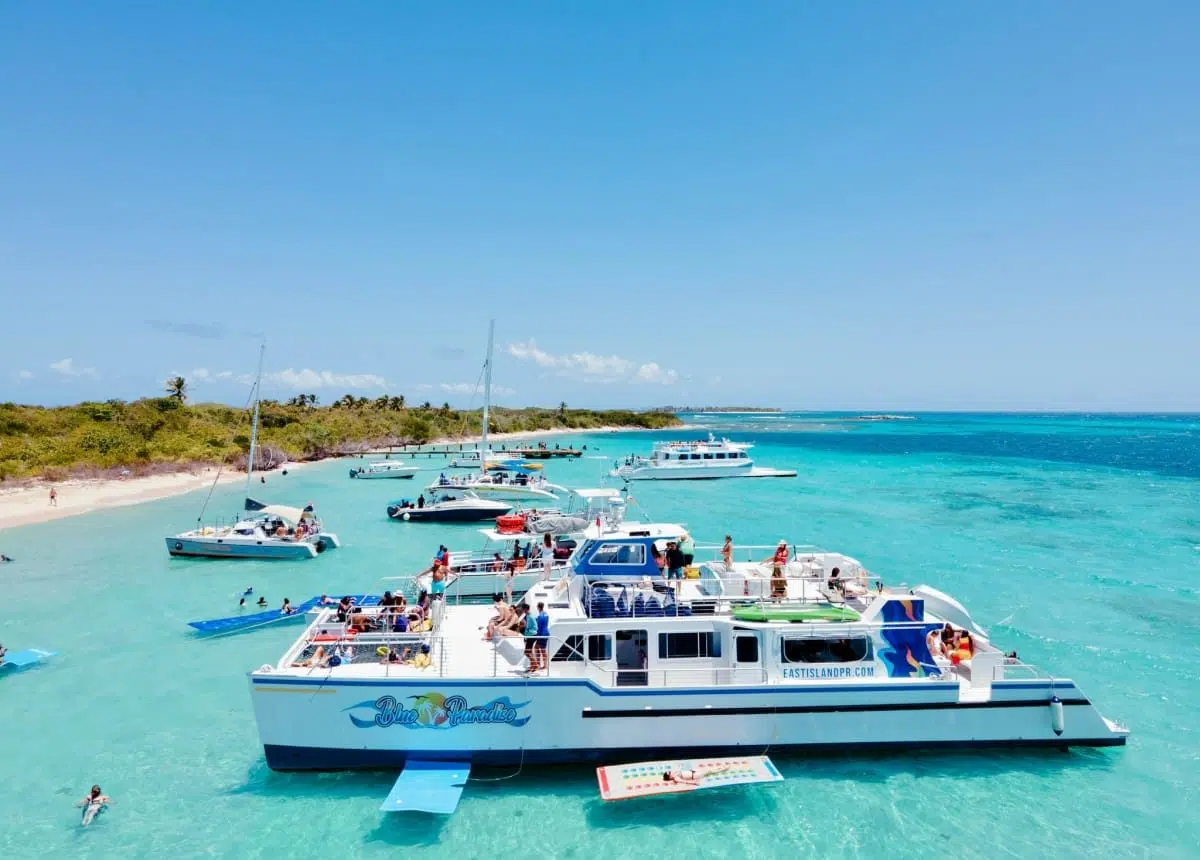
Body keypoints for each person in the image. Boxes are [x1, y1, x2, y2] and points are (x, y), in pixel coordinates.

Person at [519, 604, 539, 671]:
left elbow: (533, 627)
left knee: (527, 652)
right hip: (530, 635)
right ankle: (533, 665)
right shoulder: (528, 615)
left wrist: (525, 629)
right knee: (529, 651)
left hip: (532, 635)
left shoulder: (530, 616)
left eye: (522, 608)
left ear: (525, 609)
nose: (522, 610)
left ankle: (535, 665)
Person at [534, 602, 550, 672]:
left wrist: (537, 635)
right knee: (538, 648)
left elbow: (539, 627)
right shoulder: (546, 614)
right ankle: (540, 664)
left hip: (542, 634)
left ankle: (543, 665)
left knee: (541, 650)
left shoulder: (540, 616)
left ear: (538, 607)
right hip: (546, 633)